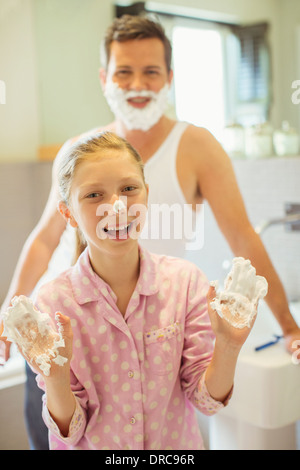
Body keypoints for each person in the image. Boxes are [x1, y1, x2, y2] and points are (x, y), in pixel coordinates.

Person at [0, 14, 299, 448]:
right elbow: (45, 238)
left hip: (160, 320)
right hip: (68, 332)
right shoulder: (78, 152)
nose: (137, 84)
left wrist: (289, 327)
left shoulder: (197, 148)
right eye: (124, 71)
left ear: (170, 79)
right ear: (104, 78)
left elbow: (244, 237)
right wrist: (12, 316)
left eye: (151, 71)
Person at [14, 131, 257, 450]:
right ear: (68, 213)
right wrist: (57, 378)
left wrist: (227, 346)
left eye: (128, 189)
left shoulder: (184, 283)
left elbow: (207, 403)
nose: (115, 207)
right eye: (93, 195)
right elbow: (70, 432)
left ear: (146, 195)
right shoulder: (53, 303)